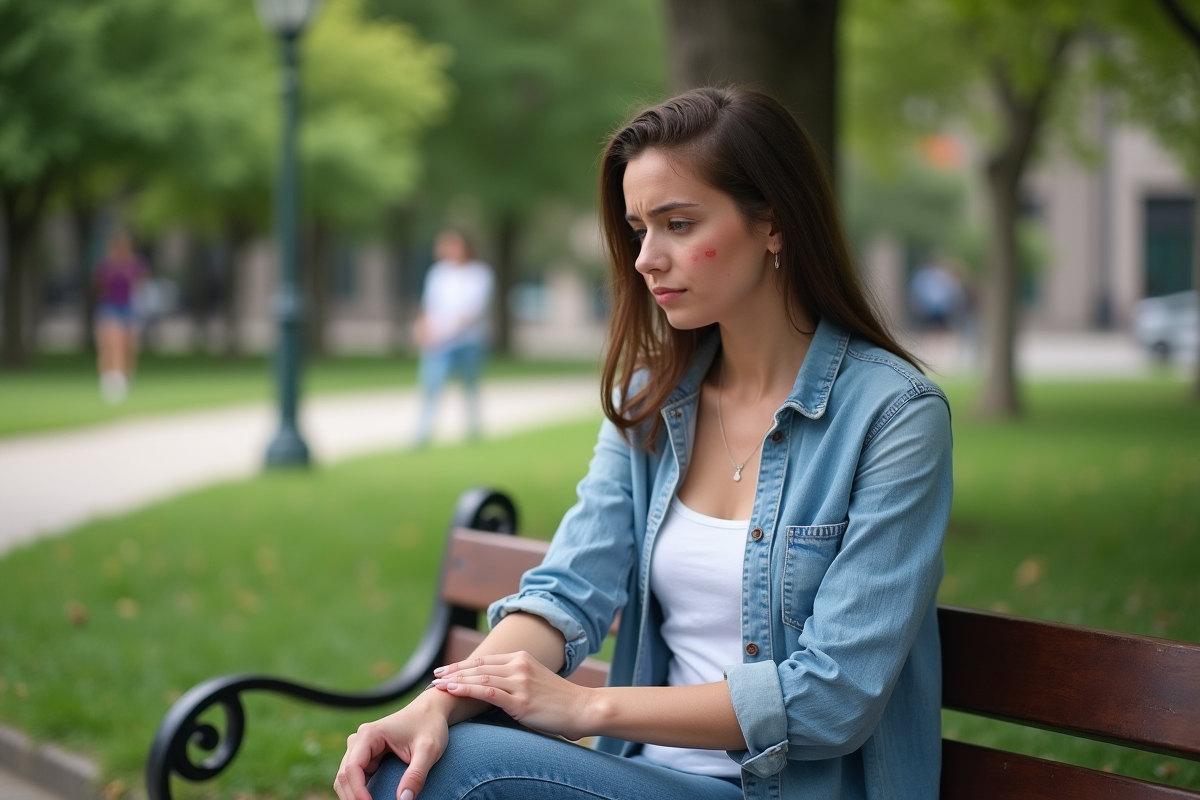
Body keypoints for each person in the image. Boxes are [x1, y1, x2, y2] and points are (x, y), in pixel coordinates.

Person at [335, 87, 952, 800]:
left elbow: (832, 697)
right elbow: (568, 590)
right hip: (645, 776)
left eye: (679, 224)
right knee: (416, 758)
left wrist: (586, 708)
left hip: (790, 791)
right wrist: (433, 707)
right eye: (638, 230)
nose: (646, 259)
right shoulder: (650, 400)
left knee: (465, 774)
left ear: (774, 223)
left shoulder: (894, 415)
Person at [412, 230, 495, 446]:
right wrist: (423, 328)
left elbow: (471, 312)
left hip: (467, 341)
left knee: (470, 387)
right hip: (438, 343)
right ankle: (422, 434)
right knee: (431, 386)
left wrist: (441, 332)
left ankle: (473, 431)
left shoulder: (480, 274)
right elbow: (428, 306)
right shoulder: (438, 274)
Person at [92, 231, 147, 403]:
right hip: (110, 308)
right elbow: (98, 287)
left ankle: (125, 377)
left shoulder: (135, 265)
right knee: (112, 344)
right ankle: (111, 380)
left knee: (129, 347)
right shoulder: (106, 266)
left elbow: (141, 286)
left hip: (129, 308)